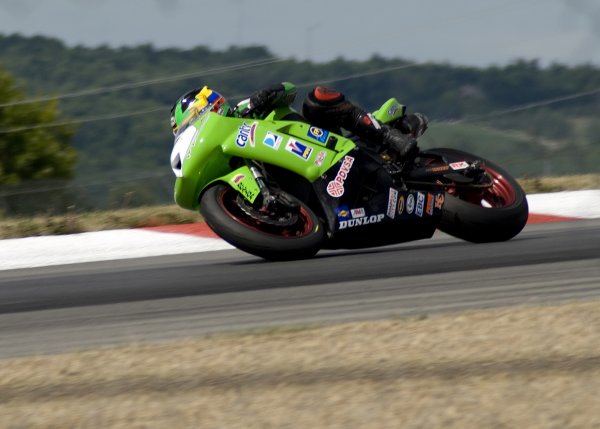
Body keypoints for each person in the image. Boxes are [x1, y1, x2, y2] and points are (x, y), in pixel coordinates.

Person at [170, 82, 428, 160]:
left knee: (317, 99)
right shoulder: (224, 152)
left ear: (209, 105)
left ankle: (389, 136)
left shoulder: (245, 108)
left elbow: (289, 89)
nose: (195, 127)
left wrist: (267, 94)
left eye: (193, 119)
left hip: (319, 140)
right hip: (300, 166)